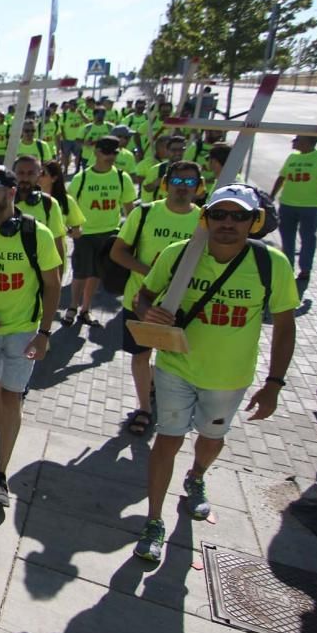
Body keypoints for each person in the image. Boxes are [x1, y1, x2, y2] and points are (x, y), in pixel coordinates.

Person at [131, 185, 298, 562]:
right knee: (167, 440)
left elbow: (286, 325)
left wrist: (274, 384)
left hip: (229, 377)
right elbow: (144, 294)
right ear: (205, 218)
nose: (228, 223)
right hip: (175, 367)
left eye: (239, 216)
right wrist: (147, 312)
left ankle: (197, 476)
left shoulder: (272, 264)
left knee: (211, 437)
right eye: (219, 214)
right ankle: (154, 520)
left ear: (254, 221)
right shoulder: (178, 255)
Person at [0, 166, 62, 507]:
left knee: (11, 397)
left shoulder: (38, 235)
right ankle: (2, 432)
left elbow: (52, 286)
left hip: (23, 332)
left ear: (10, 193)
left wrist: (45, 334)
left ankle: (1, 475)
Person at [109, 162, 202, 436]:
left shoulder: (205, 221)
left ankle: (165, 397)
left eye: (188, 183)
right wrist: (154, 274)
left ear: (198, 187)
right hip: (140, 302)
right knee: (140, 357)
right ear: (165, 183)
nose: (182, 188)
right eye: (177, 181)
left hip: (184, 308)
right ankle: (145, 408)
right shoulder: (145, 213)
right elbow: (118, 252)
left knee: (173, 361)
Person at [63, 136, 136, 327]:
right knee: (80, 273)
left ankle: (85, 310)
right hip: (85, 234)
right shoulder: (82, 178)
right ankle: (72, 307)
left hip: (110, 234)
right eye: (106, 152)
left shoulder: (122, 177)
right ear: (96, 152)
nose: (110, 156)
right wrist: (72, 228)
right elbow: (69, 206)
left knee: (95, 274)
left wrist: (133, 235)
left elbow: (130, 210)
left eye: (114, 152)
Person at [270, 135, 317, 281]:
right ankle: (287, 266)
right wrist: (272, 195)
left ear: (307, 142)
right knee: (287, 237)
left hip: (310, 206)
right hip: (287, 204)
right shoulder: (292, 157)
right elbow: (282, 176)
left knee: (308, 238)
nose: (293, 141)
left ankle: (305, 269)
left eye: (297, 139)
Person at [13, 156, 68, 271]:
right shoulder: (2, 202)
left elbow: (57, 245)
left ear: (39, 174)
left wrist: (58, 280)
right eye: (20, 173)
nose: (25, 178)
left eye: (31, 173)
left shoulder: (49, 204)